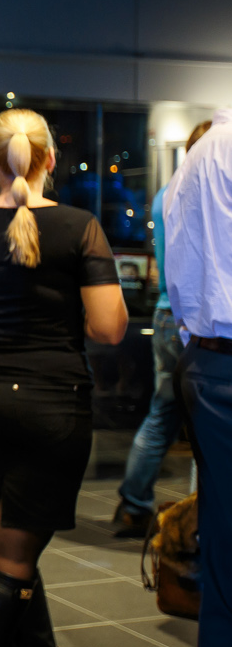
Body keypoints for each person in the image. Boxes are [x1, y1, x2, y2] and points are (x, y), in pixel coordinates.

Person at [0, 108, 127, 647]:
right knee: (13, 560)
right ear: (51, 160)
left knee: (4, 552)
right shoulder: (80, 227)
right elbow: (110, 328)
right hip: (50, 402)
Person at [111, 120, 211, 538]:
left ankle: (133, 504)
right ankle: (201, 518)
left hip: (166, 315)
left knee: (162, 416)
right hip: (196, 322)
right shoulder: (203, 192)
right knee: (206, 425)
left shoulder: (165, 194)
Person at [165, 107, 232, 647]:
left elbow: (181, 271)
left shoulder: (202, 153)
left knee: (222, 545)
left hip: (210, 361)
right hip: (214, 362)